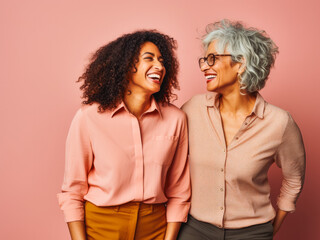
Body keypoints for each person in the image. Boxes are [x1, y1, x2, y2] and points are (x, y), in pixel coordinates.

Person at [178, 20, 306, 240]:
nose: (204, 67)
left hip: (252, 232)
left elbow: (294, 178)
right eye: (204, 60)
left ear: (241, 63)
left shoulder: (279, 123)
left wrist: (268, 230)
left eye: (212, 59)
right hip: (195, 229)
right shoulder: (193, 109)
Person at [57, 30, 190, 240]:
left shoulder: (176, 119)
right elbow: (73, 191)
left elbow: (179, 191)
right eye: (149, 58)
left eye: (162, 61)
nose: (160, 66)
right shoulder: (89, 117)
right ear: (126, 65)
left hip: (155, 227)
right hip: (101, 226)